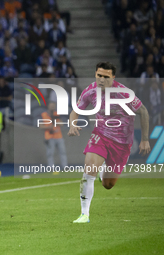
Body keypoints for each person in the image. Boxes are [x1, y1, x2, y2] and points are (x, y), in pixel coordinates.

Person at [68, 62, 151, 223]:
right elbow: (75, 111)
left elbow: (144, 112)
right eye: (99, 76)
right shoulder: (90, 91)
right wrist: (72, 124)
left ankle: (104, 172)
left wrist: (145, 139)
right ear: (95, 75)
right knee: (89, 170)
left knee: (108, 184)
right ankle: (84, 214)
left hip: (122, 144)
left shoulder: (124, 93)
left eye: (106, 77)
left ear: (113, 77)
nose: (101, 80)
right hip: (100, 136)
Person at [40, 102, 68, 169]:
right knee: (50, 153)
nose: (52, 107)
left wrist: (55, 122)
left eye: (53, 106)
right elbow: (41, 126)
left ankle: (65, 166)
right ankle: (51, 167)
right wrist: (49, 127)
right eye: (51, 106)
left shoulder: (56, 114)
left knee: (63, 152)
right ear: (48, 106)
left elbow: (61, 124)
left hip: (59, 136)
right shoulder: (43, 115)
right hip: (49, 137)